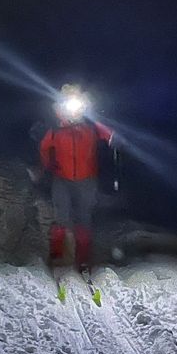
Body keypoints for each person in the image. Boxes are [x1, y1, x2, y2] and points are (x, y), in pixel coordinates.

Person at [37, 84, 114, 273]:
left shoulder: (91, 126)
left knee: (84, 219)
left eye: (77, 104)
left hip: (87, 181)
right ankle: (56, 256)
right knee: (61, 218)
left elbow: (111, 136)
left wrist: (117, 139)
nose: (73, 109)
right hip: (62, 179)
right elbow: (44, 148)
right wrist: (47, 165)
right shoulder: (55, 128)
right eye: (68, 103)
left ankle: (83, 260)